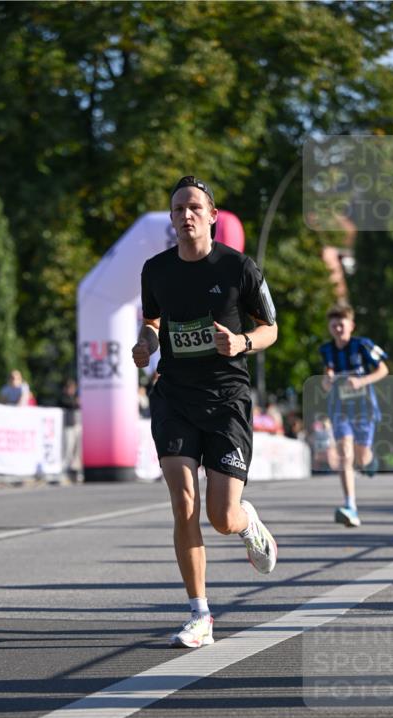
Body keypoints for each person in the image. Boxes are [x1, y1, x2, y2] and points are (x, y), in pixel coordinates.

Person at [133, 174, 279, 649]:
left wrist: (241, 342)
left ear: (213, 215)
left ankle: (246, 521)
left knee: (220, 516)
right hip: (175, 395)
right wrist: (147, 342)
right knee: (183, 503)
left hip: (226, 400)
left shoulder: (239, 267)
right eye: (178, 209)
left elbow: (271, 328)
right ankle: (200, 615)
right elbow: (153, 319)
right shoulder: (156, 270)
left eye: (194, 207)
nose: (186, 215)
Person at [320, 304, 389, 527]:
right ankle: (350, 504)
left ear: (351, 325)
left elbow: (383, 370)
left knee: (361, 457)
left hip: (364, 408)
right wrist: (327, 381)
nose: (338, 329)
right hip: (340, 410)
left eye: (342, 324)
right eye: (334, 325)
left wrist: (361, 380)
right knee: (344, 455)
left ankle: (370, 461)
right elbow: (326, 377)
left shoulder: (363, 346)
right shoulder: (327, 350)